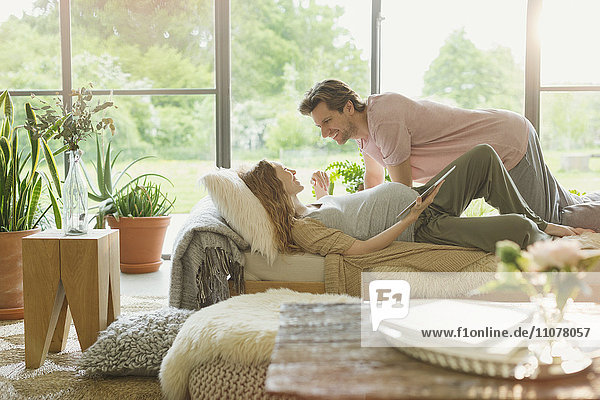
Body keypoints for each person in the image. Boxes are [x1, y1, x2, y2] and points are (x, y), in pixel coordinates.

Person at [298, 79, 600, 232]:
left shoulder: (384, 119)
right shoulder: (365, 136)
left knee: (548, 221)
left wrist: (362, 224)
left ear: (348, 107)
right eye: (320, 126)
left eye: (327, 122)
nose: (325, 133)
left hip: (503, 143)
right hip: (507, 130)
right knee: (566, 204)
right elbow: (374, 179)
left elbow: (402, 194)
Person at [239, 144, 592, 256]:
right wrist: (408, 219)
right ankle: (556, 253)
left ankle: (543, 222)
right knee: (518, 228)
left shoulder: (312, 208)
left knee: (484, 155)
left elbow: (350, 212)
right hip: (422, 225)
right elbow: (357, 250)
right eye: (280, 169)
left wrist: (324, 195)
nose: (289, 169)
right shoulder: (304, 229)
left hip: (421, 199)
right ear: (273, 186)